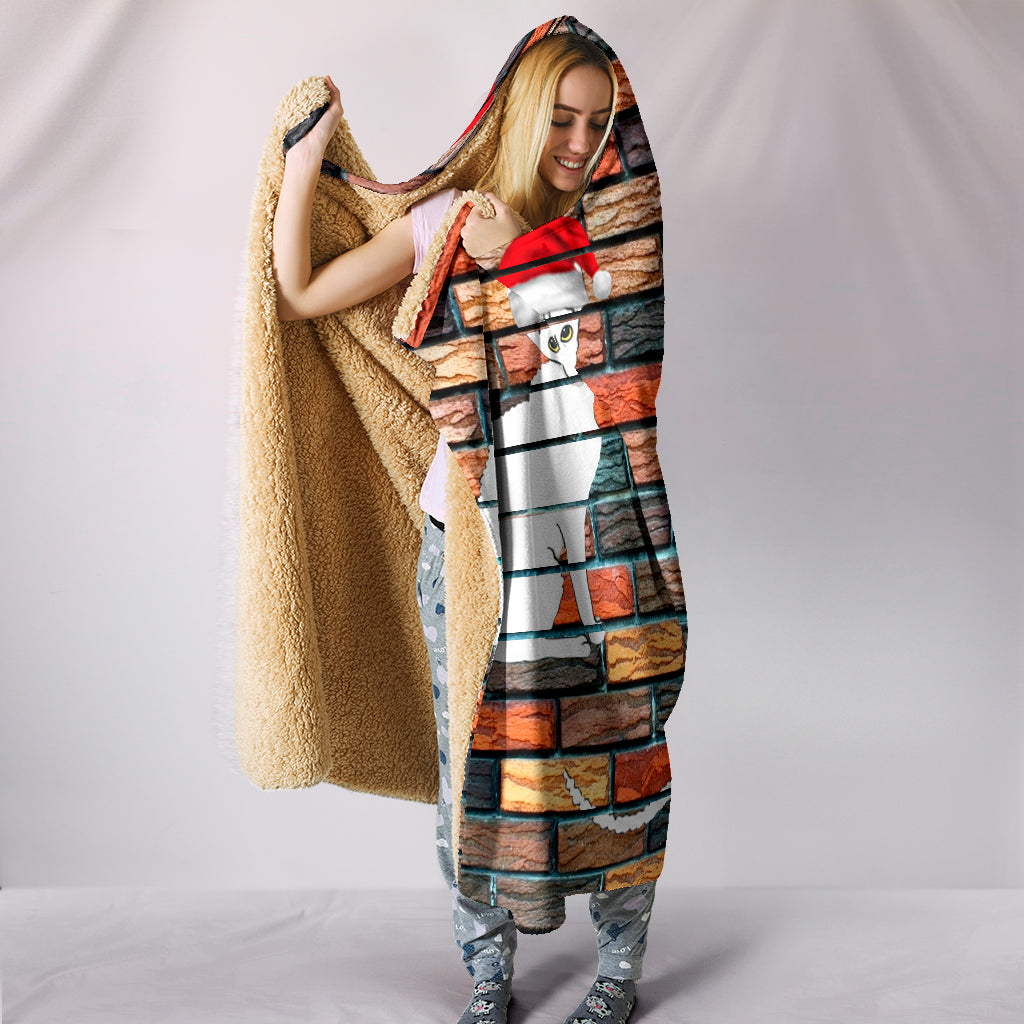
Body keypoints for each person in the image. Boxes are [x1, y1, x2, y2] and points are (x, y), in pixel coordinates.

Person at [270, 32, 655, 1024]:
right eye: (560, 118)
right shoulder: (448, 219)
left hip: (585, 541)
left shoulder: (616, 233)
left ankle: (618, 971)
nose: (579, 142)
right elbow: (302, 297)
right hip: (467, 543)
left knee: (613, 747)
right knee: (471, 765)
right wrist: (304, 163)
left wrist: (519, 258)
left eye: (597, 121)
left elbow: (613, 375)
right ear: (520, 116)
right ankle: (487, 971)